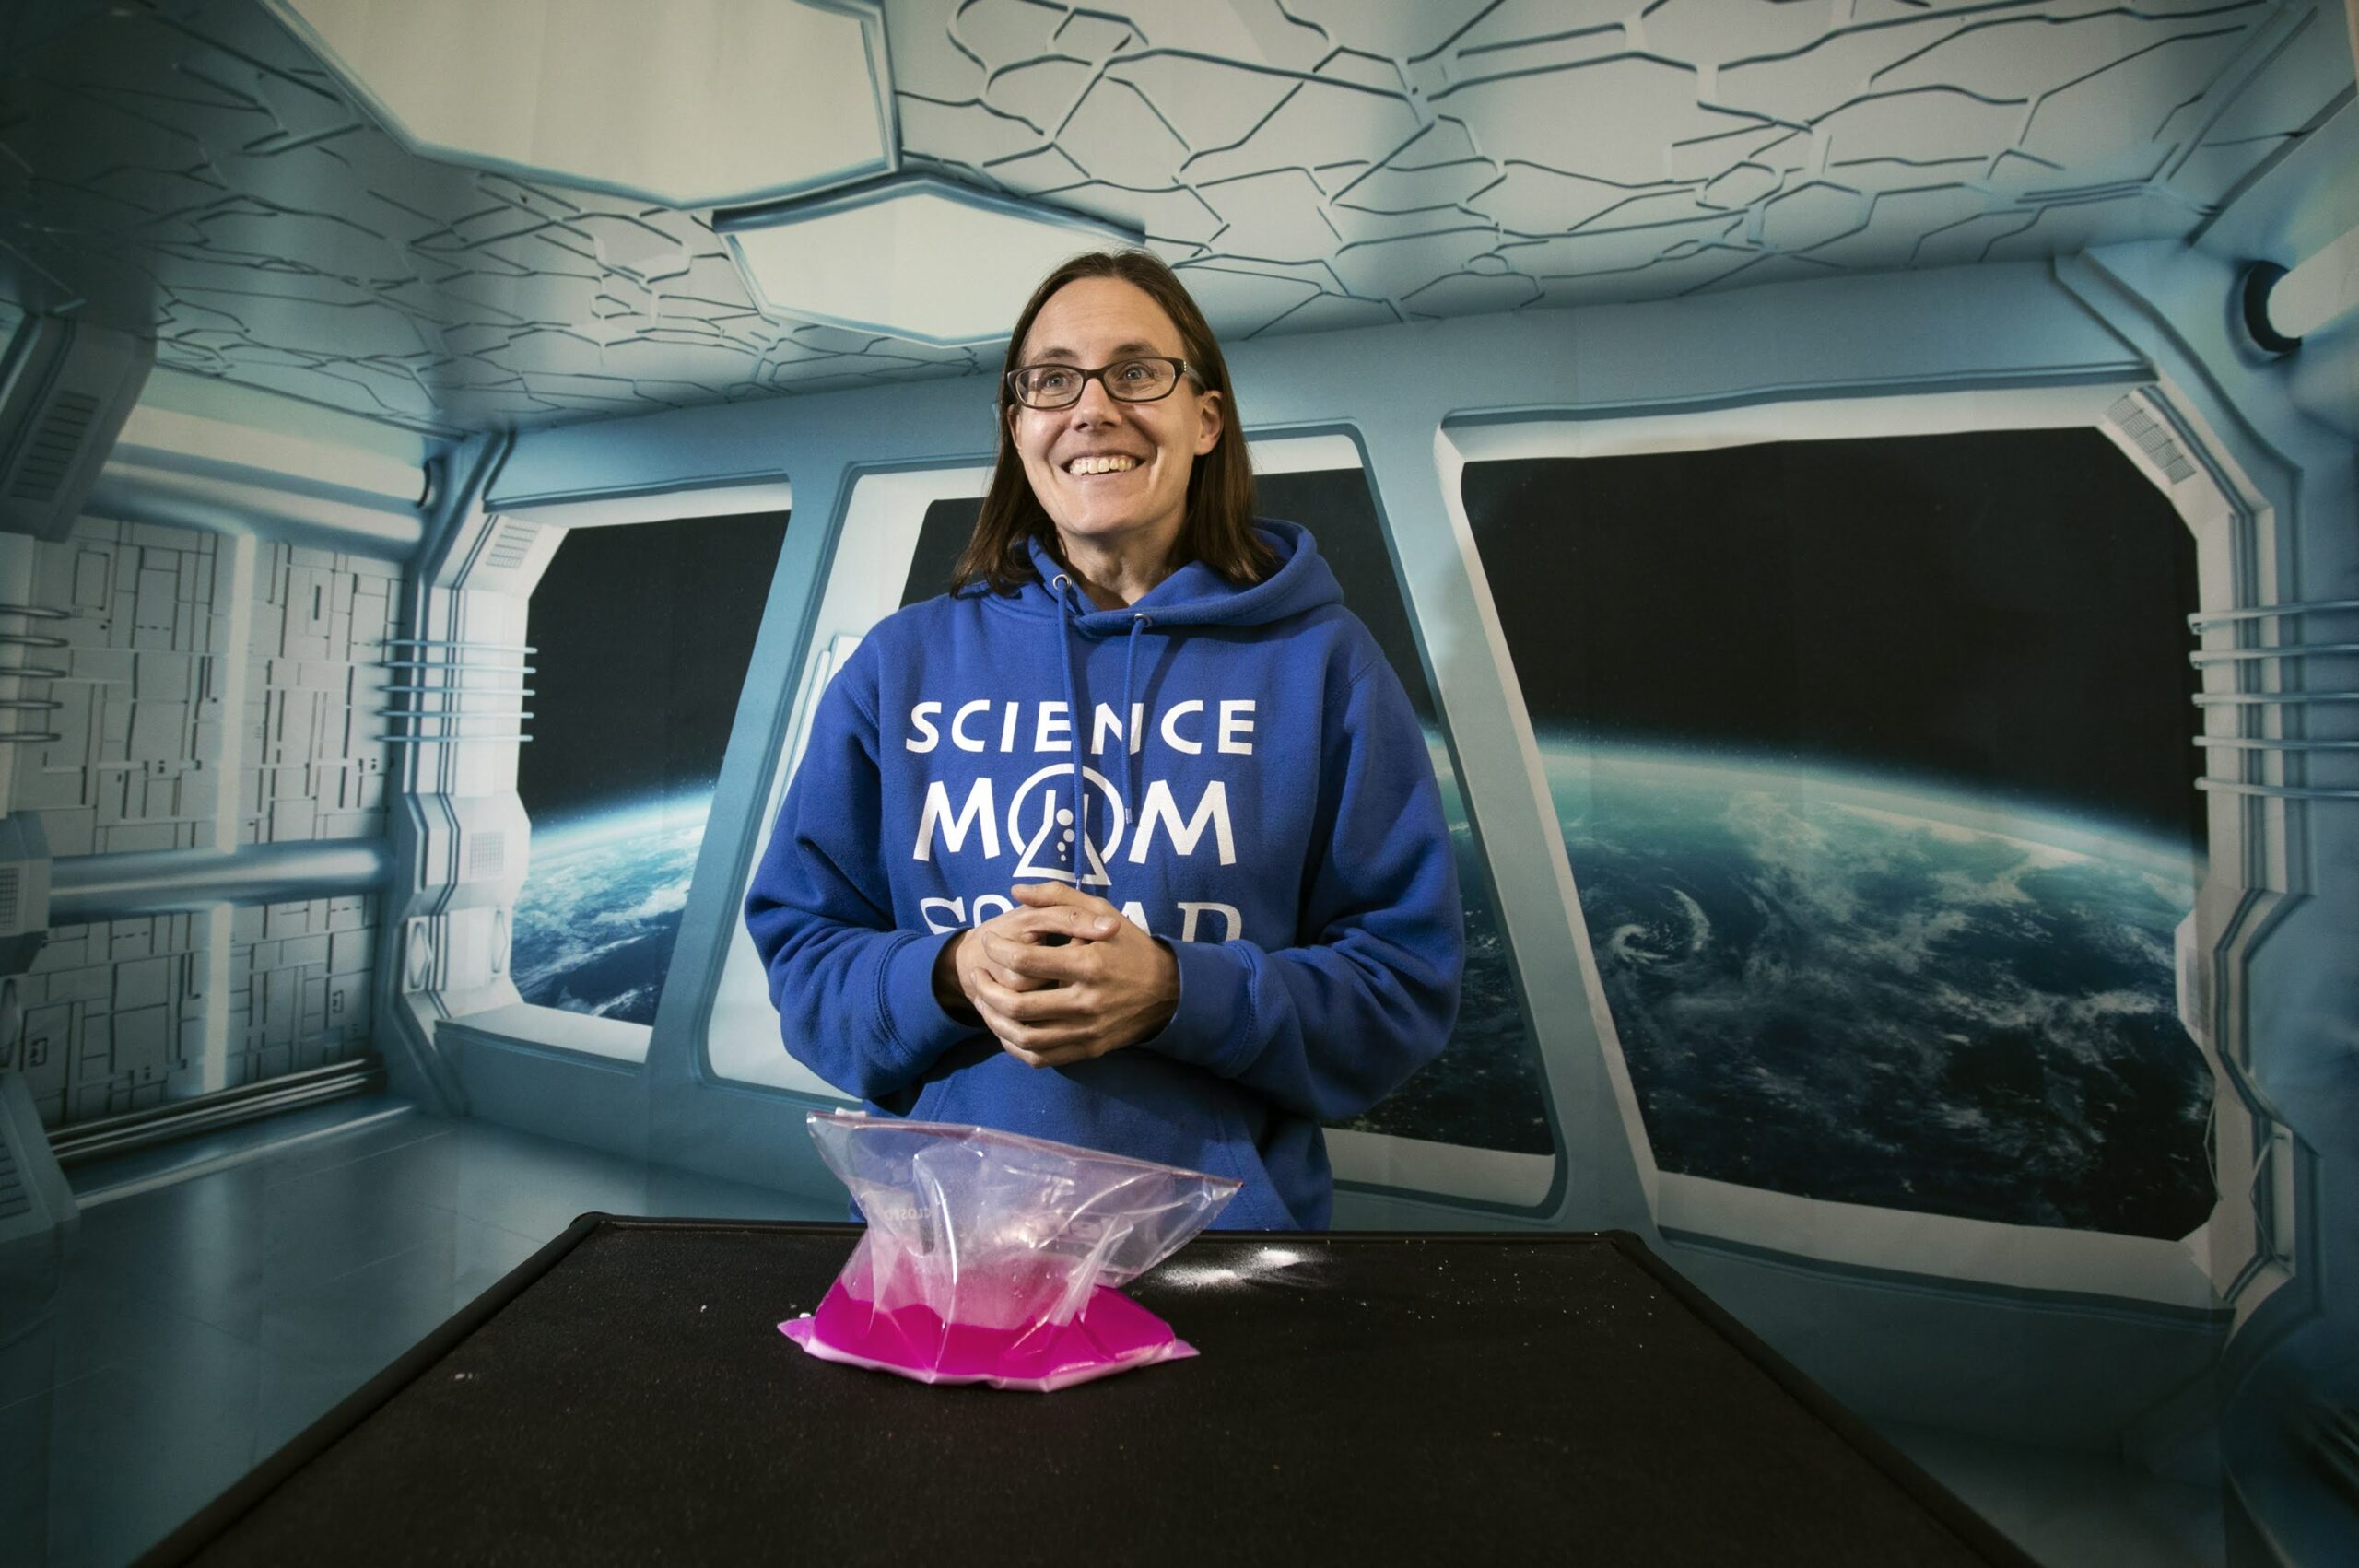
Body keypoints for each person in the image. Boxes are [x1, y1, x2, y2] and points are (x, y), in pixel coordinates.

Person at [742, 250, 1461, 1229]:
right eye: (1051, 379)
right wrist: (949, 973)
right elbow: (804, 957)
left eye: (1135, 372)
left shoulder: (1323, 662)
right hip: (950, 1254)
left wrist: (1175, 990)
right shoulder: (898, 661)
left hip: (1227, 1249)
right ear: (1017, 425)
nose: (1091, 408)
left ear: (1205, 418)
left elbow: (1402, 987)